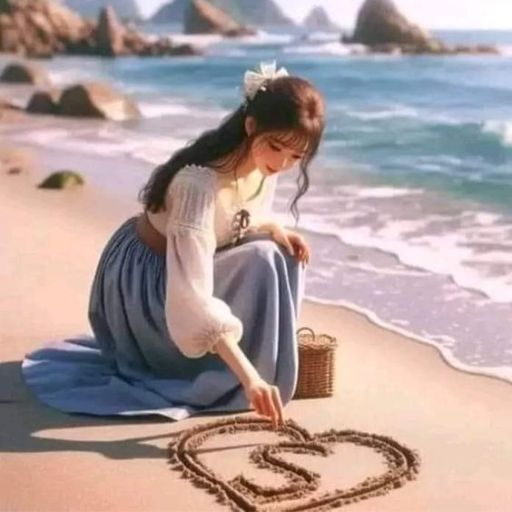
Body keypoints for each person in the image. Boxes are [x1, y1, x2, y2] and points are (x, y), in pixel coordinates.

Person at [22, 61, 326, 427]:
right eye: (276, 147)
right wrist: (250, 379)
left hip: (186, 260)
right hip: (147, 283)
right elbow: (189, 298)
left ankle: (267, 361)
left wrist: (274, 228)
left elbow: (235, 216)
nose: (282, 162)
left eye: (296, 156)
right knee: (262, 258)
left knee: (284, 254)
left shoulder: (264, 170)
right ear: (251, 126)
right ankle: (245, 370)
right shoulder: (197, 185)